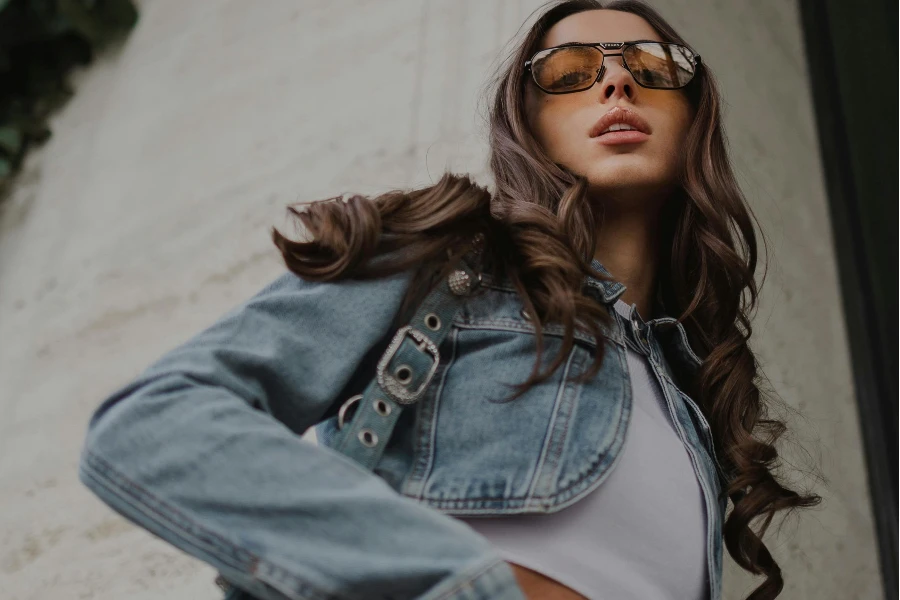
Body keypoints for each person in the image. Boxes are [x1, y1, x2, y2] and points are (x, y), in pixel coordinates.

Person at [78, 1, 820, 599]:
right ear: (527, 124)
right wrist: (464, 583)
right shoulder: (451, 259)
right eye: (569, 70)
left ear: (696, 117)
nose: (616, 84)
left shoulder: (694, 399)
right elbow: (155, 424)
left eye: (654, 67)